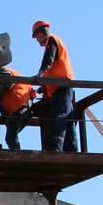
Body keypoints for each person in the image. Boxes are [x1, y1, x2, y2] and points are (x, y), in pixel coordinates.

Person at [31, 20, 78, 152]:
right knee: (68, 118)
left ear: (40, 33)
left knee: (60, 116)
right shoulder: (57, 41)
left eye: (36, 37)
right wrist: (43, 87)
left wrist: (39, 75)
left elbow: (48, 60)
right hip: (64, 85)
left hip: (61, 86)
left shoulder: (52, 40)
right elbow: (54, 67)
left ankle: (55, 149)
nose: (37, 41)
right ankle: (71, 150)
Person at [0, 66, 40, 151]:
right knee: (11, 134)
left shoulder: (1, 71)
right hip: (21, 107)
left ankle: (17, 155)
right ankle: (17, 154)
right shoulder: (0, 72)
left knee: (10, 137)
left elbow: (8, 85)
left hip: (22, 106)